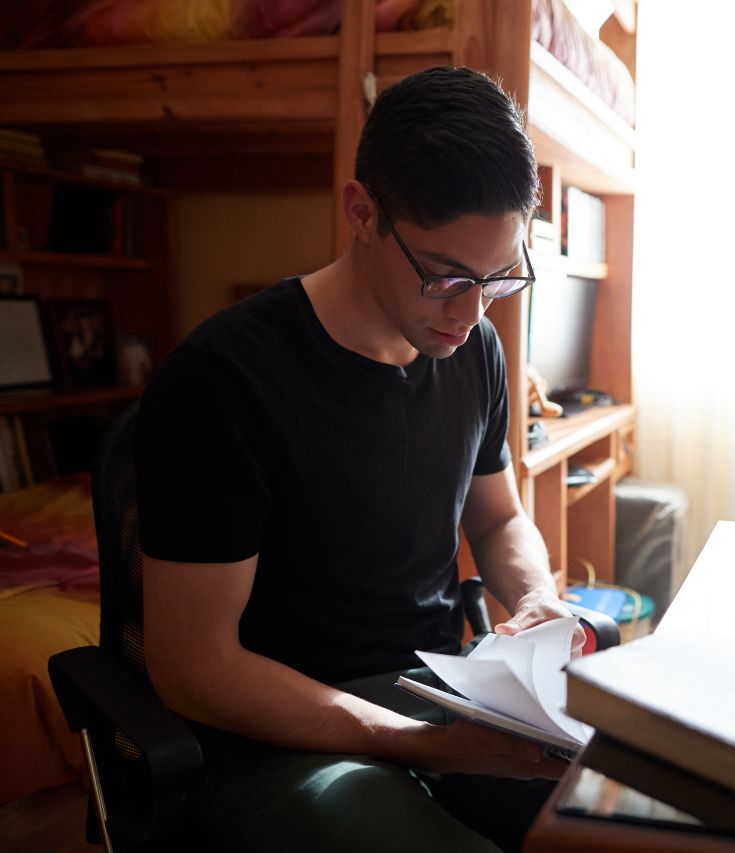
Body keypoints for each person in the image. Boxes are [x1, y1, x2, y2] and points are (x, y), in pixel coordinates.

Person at [136, 66, 582, 852]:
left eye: (497, 278)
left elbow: (501, 515)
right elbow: (191, 665)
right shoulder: (227, 379)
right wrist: (414, 742)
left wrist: (536, 597)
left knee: (623, 815)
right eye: (445, 275)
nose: (471, 312)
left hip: (440, 696)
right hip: (273, 736)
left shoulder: (475, 349)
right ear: (362, 213)